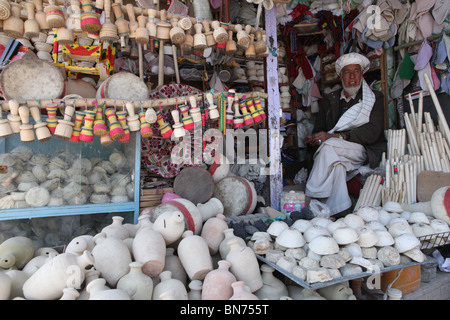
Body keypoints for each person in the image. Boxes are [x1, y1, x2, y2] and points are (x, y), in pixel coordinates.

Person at [304, 52, 386, 216]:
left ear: (362, 74)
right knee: (335, 163)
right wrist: (314, 139)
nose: (353, 77)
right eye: (347, 72)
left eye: (356, 71)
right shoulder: (330, 99)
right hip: (335, 151)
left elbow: (373, 132)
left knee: (329, 145)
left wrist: (335, 136)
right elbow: (319, 130)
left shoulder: (373, 98)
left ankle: (309, 198)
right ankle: (340, 210)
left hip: (362, 150)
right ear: (340, 76)